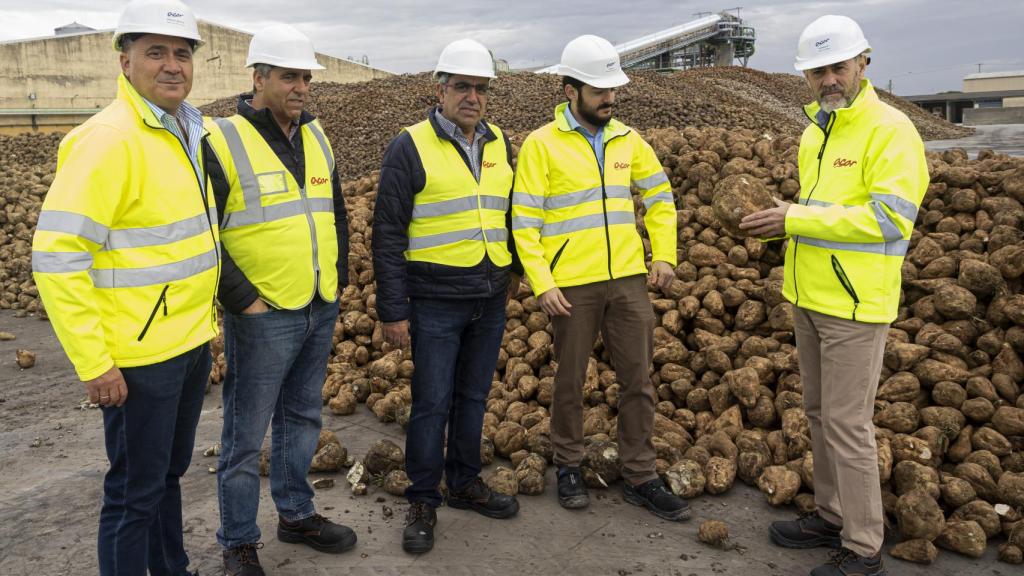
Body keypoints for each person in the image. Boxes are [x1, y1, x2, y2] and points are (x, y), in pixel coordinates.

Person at [31, 1, 218, 574]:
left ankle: (172, 568)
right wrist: (94, 363)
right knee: (134, 493)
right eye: (154, 52)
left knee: (166, 476)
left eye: (181, 53)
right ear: (125, 60)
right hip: (138, 358)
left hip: (185, 344)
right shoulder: (107, 140)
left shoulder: (193, 129)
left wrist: (206, 330)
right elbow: (57, 257)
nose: (171, 65)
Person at [740, 14, 928, 576]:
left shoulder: (890, 130)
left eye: (837, 67)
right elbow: (822, 212)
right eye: (817, 71)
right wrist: (789, 222)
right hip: (811, 297)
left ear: (863, 63)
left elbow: (891, 220)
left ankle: (865, 545)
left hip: (856, 306)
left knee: (848, 424)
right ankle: (830, 513)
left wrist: (793, 217)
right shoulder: (814, 131)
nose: (828, 80)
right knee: (819, 414)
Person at [511, 35, 688, 521]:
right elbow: (524, 222)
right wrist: (543, 282)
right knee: (570, 382)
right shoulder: (541, 146)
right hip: (570, 284)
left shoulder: (628, 140)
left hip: (628, 279)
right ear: (570, 90)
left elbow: (661, 198)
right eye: (598, 90)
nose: (610, 98)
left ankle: (640, 475)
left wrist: (664, 255)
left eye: (613, 89)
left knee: (638, 380)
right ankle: (568, 464)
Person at [203, 22, 354, 575]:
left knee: (301, 418)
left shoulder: (317, 136)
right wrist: (243, 299)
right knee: (245, 435)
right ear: (258, 77)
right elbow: (206, 232)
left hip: (318, 301)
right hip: (262, 314)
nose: (300, 87)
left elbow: (332, 212)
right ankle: (238, 541)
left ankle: (296, 513)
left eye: (305, 77)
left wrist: (337, 276)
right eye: (288, 76)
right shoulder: (222, 140)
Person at [373, 38, 522, 555]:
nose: (472, 97)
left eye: (481, 88)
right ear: (441, 89)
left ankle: (463, 482)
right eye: (462, 87)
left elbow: (510, 215)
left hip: (490, 294)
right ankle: (421, 498)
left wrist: (515, 271)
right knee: (431, 403)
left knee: (474, 397)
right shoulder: (409, 146)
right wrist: (393, 310)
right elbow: (388, 233)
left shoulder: (500, 142)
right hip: (435, 299)